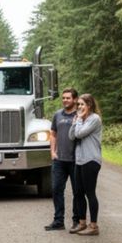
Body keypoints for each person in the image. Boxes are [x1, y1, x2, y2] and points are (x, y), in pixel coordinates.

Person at [68, 94, 103, 236]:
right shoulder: (80, 119)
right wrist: (76, 122)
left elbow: (80, 134)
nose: (80, 107)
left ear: (90, 105)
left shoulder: (94, 119)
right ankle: (82, 223)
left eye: (83, 104)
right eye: (79, 105)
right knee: (78, 193)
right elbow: (71, 136)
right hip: (80, 160)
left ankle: (93, 226)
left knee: (90, 193)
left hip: (91, 160)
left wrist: (78, 121)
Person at [44, 88, 79, 231]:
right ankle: (58, 221)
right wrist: (52, 152)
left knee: (78, 192)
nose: (65, 100)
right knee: (56, 189)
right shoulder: (57, 114)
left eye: (68, 98)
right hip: (59, 160)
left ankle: (77, 221)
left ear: (75, 100)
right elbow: (53, 134)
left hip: (76, 160)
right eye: (63, 98)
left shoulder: (80, 114)